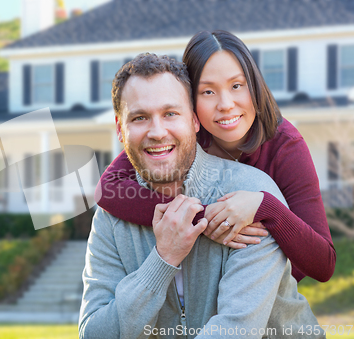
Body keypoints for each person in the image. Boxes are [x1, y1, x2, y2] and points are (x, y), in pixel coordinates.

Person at [79, 53, 324, 339]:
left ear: (195, 120)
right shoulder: (111, 217)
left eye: (171, 113)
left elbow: (235, 330)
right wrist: (163, 258)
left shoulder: (250, 198)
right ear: (121, 129)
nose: (157, 132)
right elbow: (94, 333)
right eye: (140, 117)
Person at [96, 30, 335, 283]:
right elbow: (108, 188)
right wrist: (208, 219)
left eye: (236, 86)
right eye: (208, 92)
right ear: (190, 105)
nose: (226, 104)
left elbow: (323, 264)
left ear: (254, 85)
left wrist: (264, 207)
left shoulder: (285, 145)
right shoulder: (181, 137)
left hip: (268, 288)